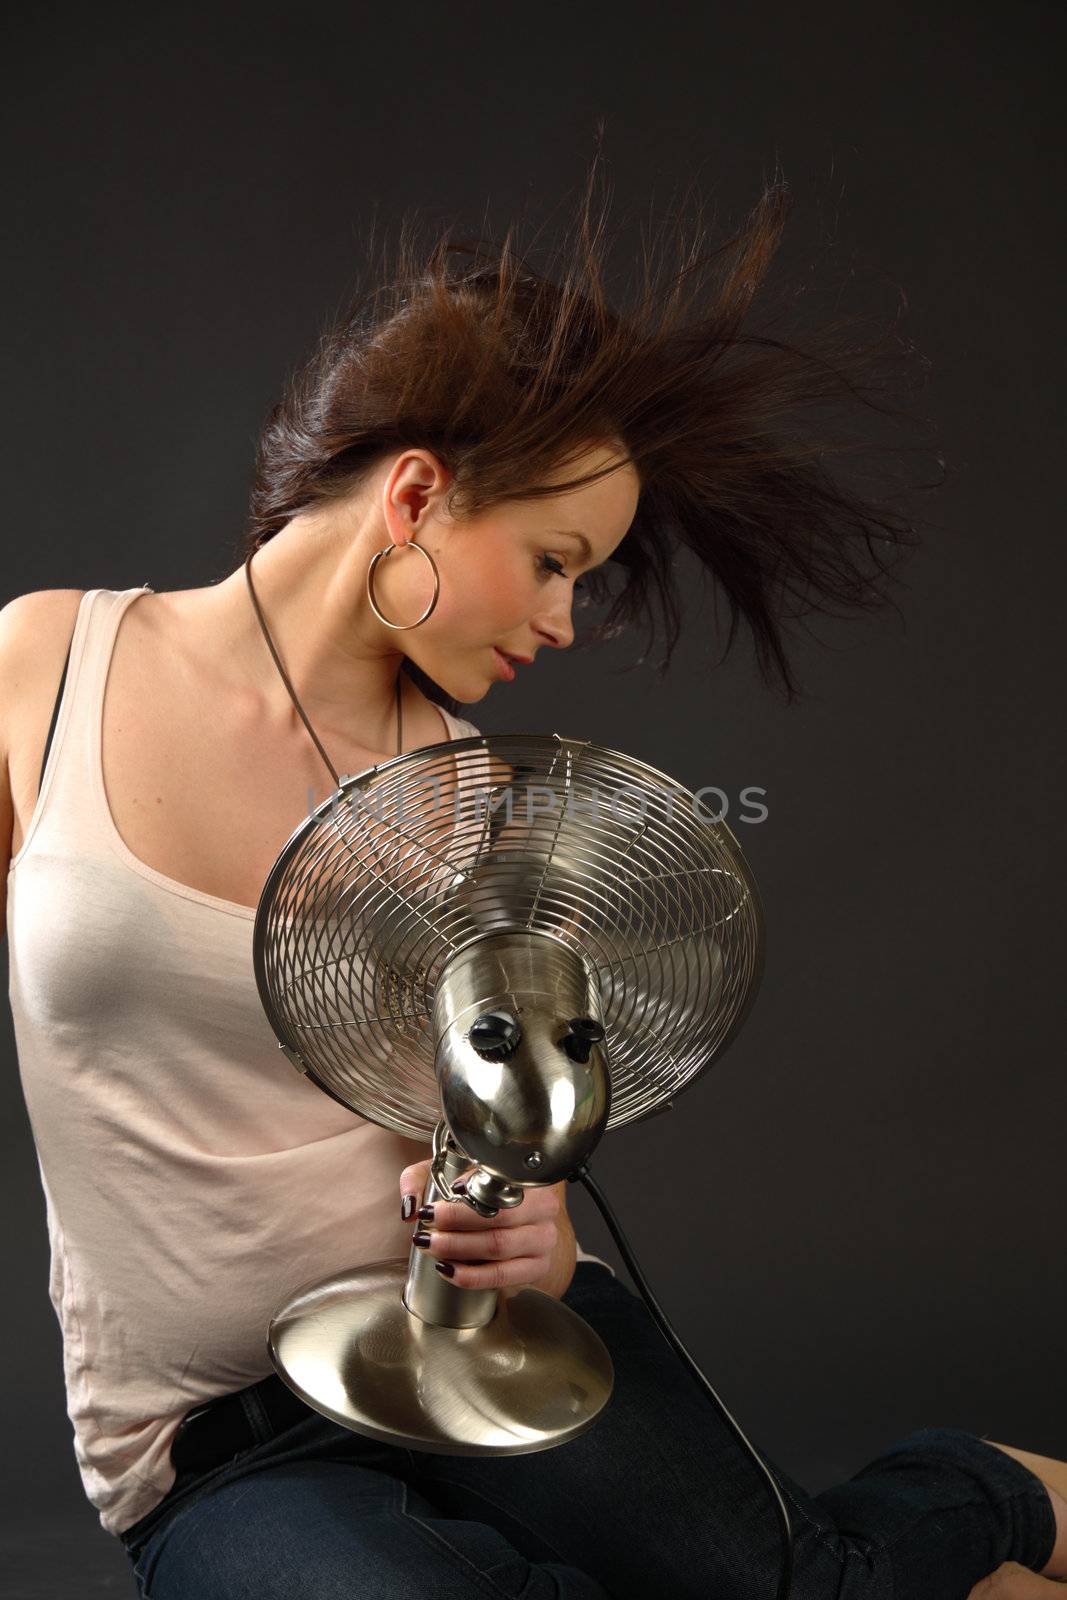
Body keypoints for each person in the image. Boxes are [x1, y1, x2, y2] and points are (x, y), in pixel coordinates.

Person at [2, 168, 1065, 1599]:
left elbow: (487, 1122)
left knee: (811, 1586)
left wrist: (535, 1229)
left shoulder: (475, 805)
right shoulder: (46, 672)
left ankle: (997, 1498)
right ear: (421, 496)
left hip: (485, 1356)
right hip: (225, 1446)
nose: (565, 622)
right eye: (554, 563)